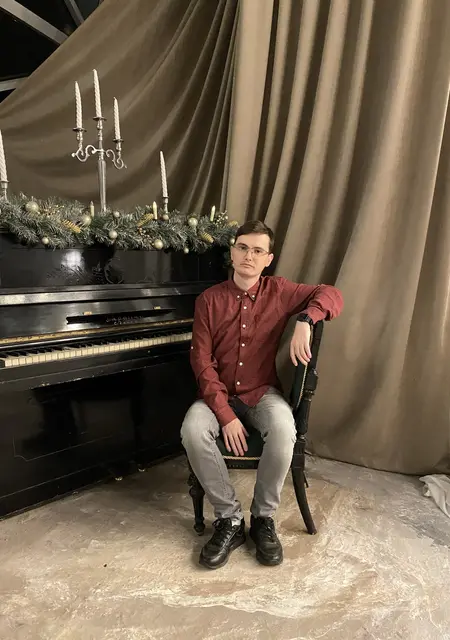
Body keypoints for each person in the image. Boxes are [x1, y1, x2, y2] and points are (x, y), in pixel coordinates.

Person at [181, 220, 343, 569]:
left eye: (257, 251)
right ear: (232, 252)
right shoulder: (208, 300)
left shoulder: (279, 291)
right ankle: (229, 519)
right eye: (242, 248)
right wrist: (225, 415)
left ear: (268, 259)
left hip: (261, 393)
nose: (249, 256)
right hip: (217, 395)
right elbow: (202, 362)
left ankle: (262, 519)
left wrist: (307, 319)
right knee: (192, 430)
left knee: (284, 430)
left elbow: (332, 294)